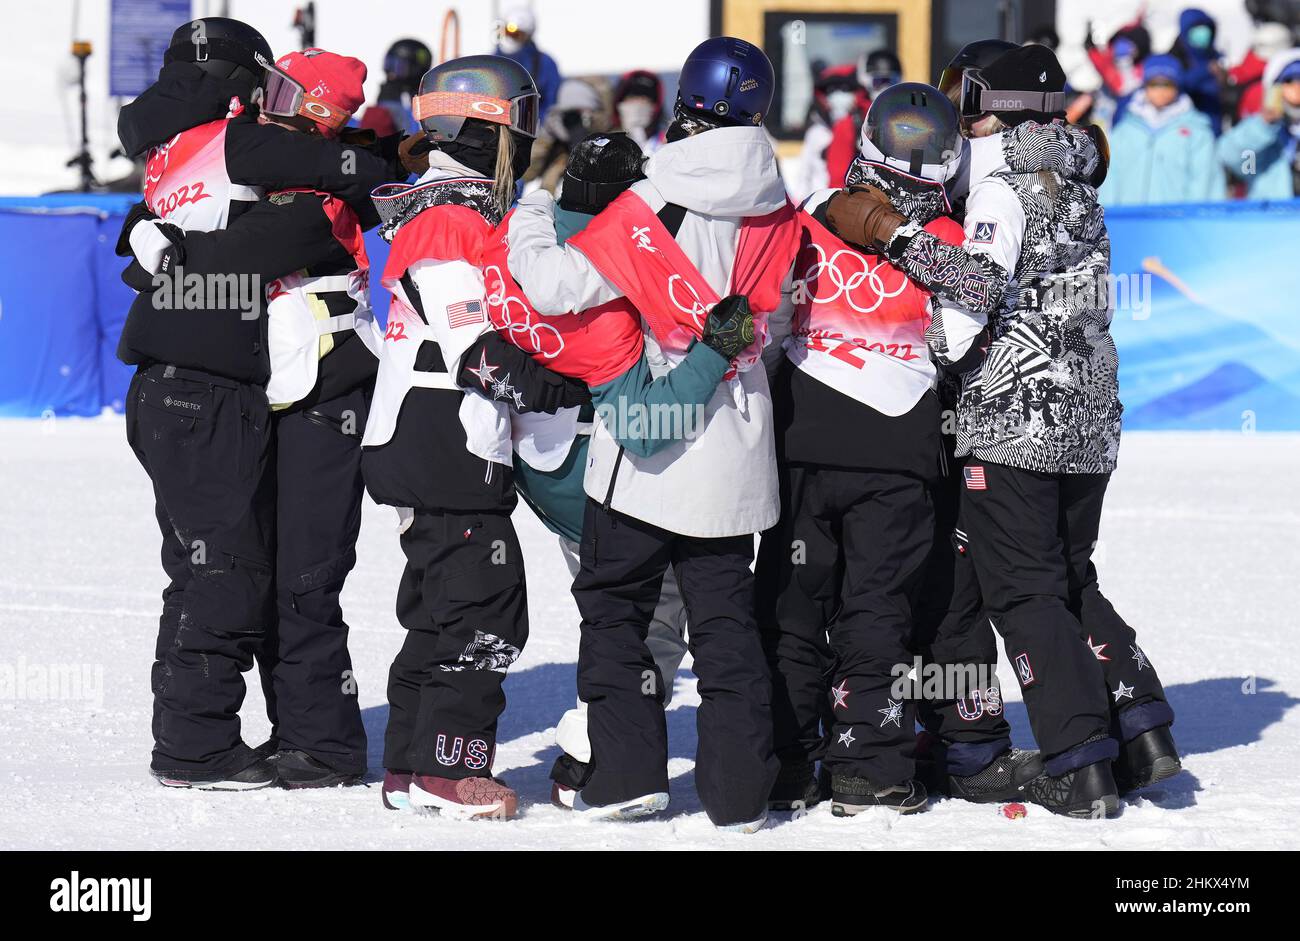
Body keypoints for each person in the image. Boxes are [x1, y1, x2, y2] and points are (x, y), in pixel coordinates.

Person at [826, 43, 1180, 817]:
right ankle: (1140, 718)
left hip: (1017, 420)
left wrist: (892, 236)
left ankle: (1079, 754)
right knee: (1068, 574)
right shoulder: (1076, 176)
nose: (954, 111)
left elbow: (972, 297)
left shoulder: (998, 186)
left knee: (1024, 592)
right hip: (1090, 415)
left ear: (989, 103)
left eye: (962, 95)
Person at [507, 37, 803, 831]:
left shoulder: (650, 199)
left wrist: (534, 211)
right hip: (734, 438)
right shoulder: (780, 203)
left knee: (618, 614)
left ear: (684, 104)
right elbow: (769, 328)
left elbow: (552, 286)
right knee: (726, 626)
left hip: (646, 445)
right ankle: (740, 796)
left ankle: (628, 776)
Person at [114, 17, 402, 791]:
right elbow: (210, 242)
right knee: (229, 568)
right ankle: (203, 741)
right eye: (265, 87)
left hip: (314, 385)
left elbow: (278, 235)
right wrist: (153, 242)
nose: (268, 105)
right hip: (225, 390)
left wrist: (161, 251)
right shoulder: (234, 148)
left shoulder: (277, 171)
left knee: (291, 572)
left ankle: (314, 740)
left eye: (288, 95)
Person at [760, 82, 1042, 816]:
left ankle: (788, 758)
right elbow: (956, 340)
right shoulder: (949, 240)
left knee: (793, 602)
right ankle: (870, 763)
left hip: (804, 439)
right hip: (898, 447)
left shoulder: (811, 216)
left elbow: (766, 324)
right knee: (877, 608)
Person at [485, 132, 746, 805]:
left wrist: (534, 206)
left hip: (532, 464)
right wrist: (718, 354)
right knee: (655, 616)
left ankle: (600, 747)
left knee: (617, 611)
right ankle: (592, 750)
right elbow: (645, 419)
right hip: (598, 474)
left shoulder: (517, 236)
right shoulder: (617, 286)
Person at [363, 54, 587, 819]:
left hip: (421, 433)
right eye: (517, 130)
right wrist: (556, 387)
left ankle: (407, 763)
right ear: (485, 130)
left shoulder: (437, 207)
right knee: (488, 607)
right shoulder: (453, 217)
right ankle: (450, 768)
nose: (523, 148)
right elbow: (473, 345)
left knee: (436, 610)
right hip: (442, 435)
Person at [1101, 54, 1224, 205]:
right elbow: (1110, 179)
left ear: (1177, 87)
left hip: (1175, 223)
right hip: (1129, 221)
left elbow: (1205, 183)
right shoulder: (1124, 130)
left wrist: (1194, 222)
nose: (1160, 91)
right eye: (1154, 84)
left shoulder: (1196, 132)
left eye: (1167, 84)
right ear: (1145, 86)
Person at [1218, 47, 1300, 199]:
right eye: (1289, 81)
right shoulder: (1265, 132)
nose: (1297, 88)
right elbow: (1241, 164)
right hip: (1272, 219)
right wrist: (1264, 125)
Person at [824, 49, 901, 187]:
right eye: (878, 82)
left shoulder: (905, 122)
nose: (884, 88)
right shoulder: (850, 124)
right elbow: (837, 179)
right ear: (865, 82)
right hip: (861, 200)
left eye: (890, 82)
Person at [792, 63, 867, 200]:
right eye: (831, 90)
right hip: (816, 206)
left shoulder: (865, 130)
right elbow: (804, 175)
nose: (838, 96)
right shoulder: (817, 133)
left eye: (845, 89)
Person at [524, 77, 609, 194]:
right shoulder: (556, 148)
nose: (573, 120)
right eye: (566, 113)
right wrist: (545, 137)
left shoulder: (607, 141)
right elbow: (527, 174)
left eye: (579, 113)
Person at [496, 5, 562, 119]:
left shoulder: (545, 63)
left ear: (527, 35)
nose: (511, 37)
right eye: (507, 31)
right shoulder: (493, 59)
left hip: (532, 123)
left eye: (517, 34)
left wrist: (537, 124)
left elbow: (551, 100)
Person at [358, 38, 434, 137]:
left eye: (400, 68)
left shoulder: (422, 104)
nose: (391, 74)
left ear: (416, 69)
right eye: (389, 64)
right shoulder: (388, 99)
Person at [1169, 7, 1226, 134]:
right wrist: (1205, 71)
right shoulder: (1175, 59)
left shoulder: (1217, 57)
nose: (1203, 33)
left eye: (1206, 27)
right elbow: (1176, 84)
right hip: (1184, 130)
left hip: (1215, 126)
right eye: (1196, 28)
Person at [613, 69, 668, 154]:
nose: (637, 104)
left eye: (644, 98)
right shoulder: (607, 145)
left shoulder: (670, 144)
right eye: (631, 97)